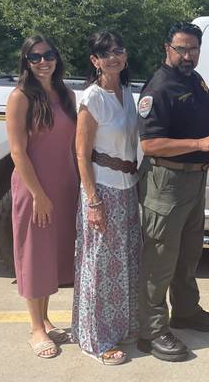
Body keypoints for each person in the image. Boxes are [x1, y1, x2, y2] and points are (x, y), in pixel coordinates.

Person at [136, 22, 209, 362]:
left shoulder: (193, 80)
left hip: (193, 180)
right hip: (166, 183)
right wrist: (199, 144)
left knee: (187, 256)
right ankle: (152, 331)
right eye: (181, 49)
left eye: (193, 50)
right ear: (167, 49)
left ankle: (186, 311)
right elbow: (150, 143)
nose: (188, 55)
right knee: (159, 261)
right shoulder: (159, 87)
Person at [5, 35, 78, 359]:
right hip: (35, 191)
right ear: (26, 62)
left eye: (48, 55)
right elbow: (18, 151)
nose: (43, 62)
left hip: (64, 188)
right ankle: (35, 328)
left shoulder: (66, 95)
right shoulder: (20, 97)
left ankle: (46, 319)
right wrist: (38, 194)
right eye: (35, 58)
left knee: (52, 257)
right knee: (34, 256)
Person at [71, 31, 142, 365]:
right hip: (103, 188)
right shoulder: (92, 97)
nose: (113, 57)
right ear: (95, 61)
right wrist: (93, 200)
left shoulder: (129, 94)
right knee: (100, 265)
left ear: (125, 57)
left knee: (125, 262)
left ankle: (120, 328)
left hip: (128, 187)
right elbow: (82, 154)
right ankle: (96, 339)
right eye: (105, 53)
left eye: (118, 50)